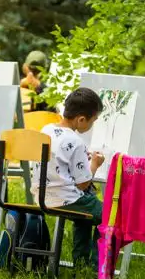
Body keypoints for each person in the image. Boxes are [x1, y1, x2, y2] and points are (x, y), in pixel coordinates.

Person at [31, 88, 105, 269]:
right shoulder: (76, 141)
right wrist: (95, 163)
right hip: (67, 199)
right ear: (81, 119)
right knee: (112, 216)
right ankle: (97, 267)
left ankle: (80, 264)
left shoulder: (46, 130)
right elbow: (83, 184)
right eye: (93, 120)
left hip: (43, 196)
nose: (93, 124)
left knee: (85, 216)